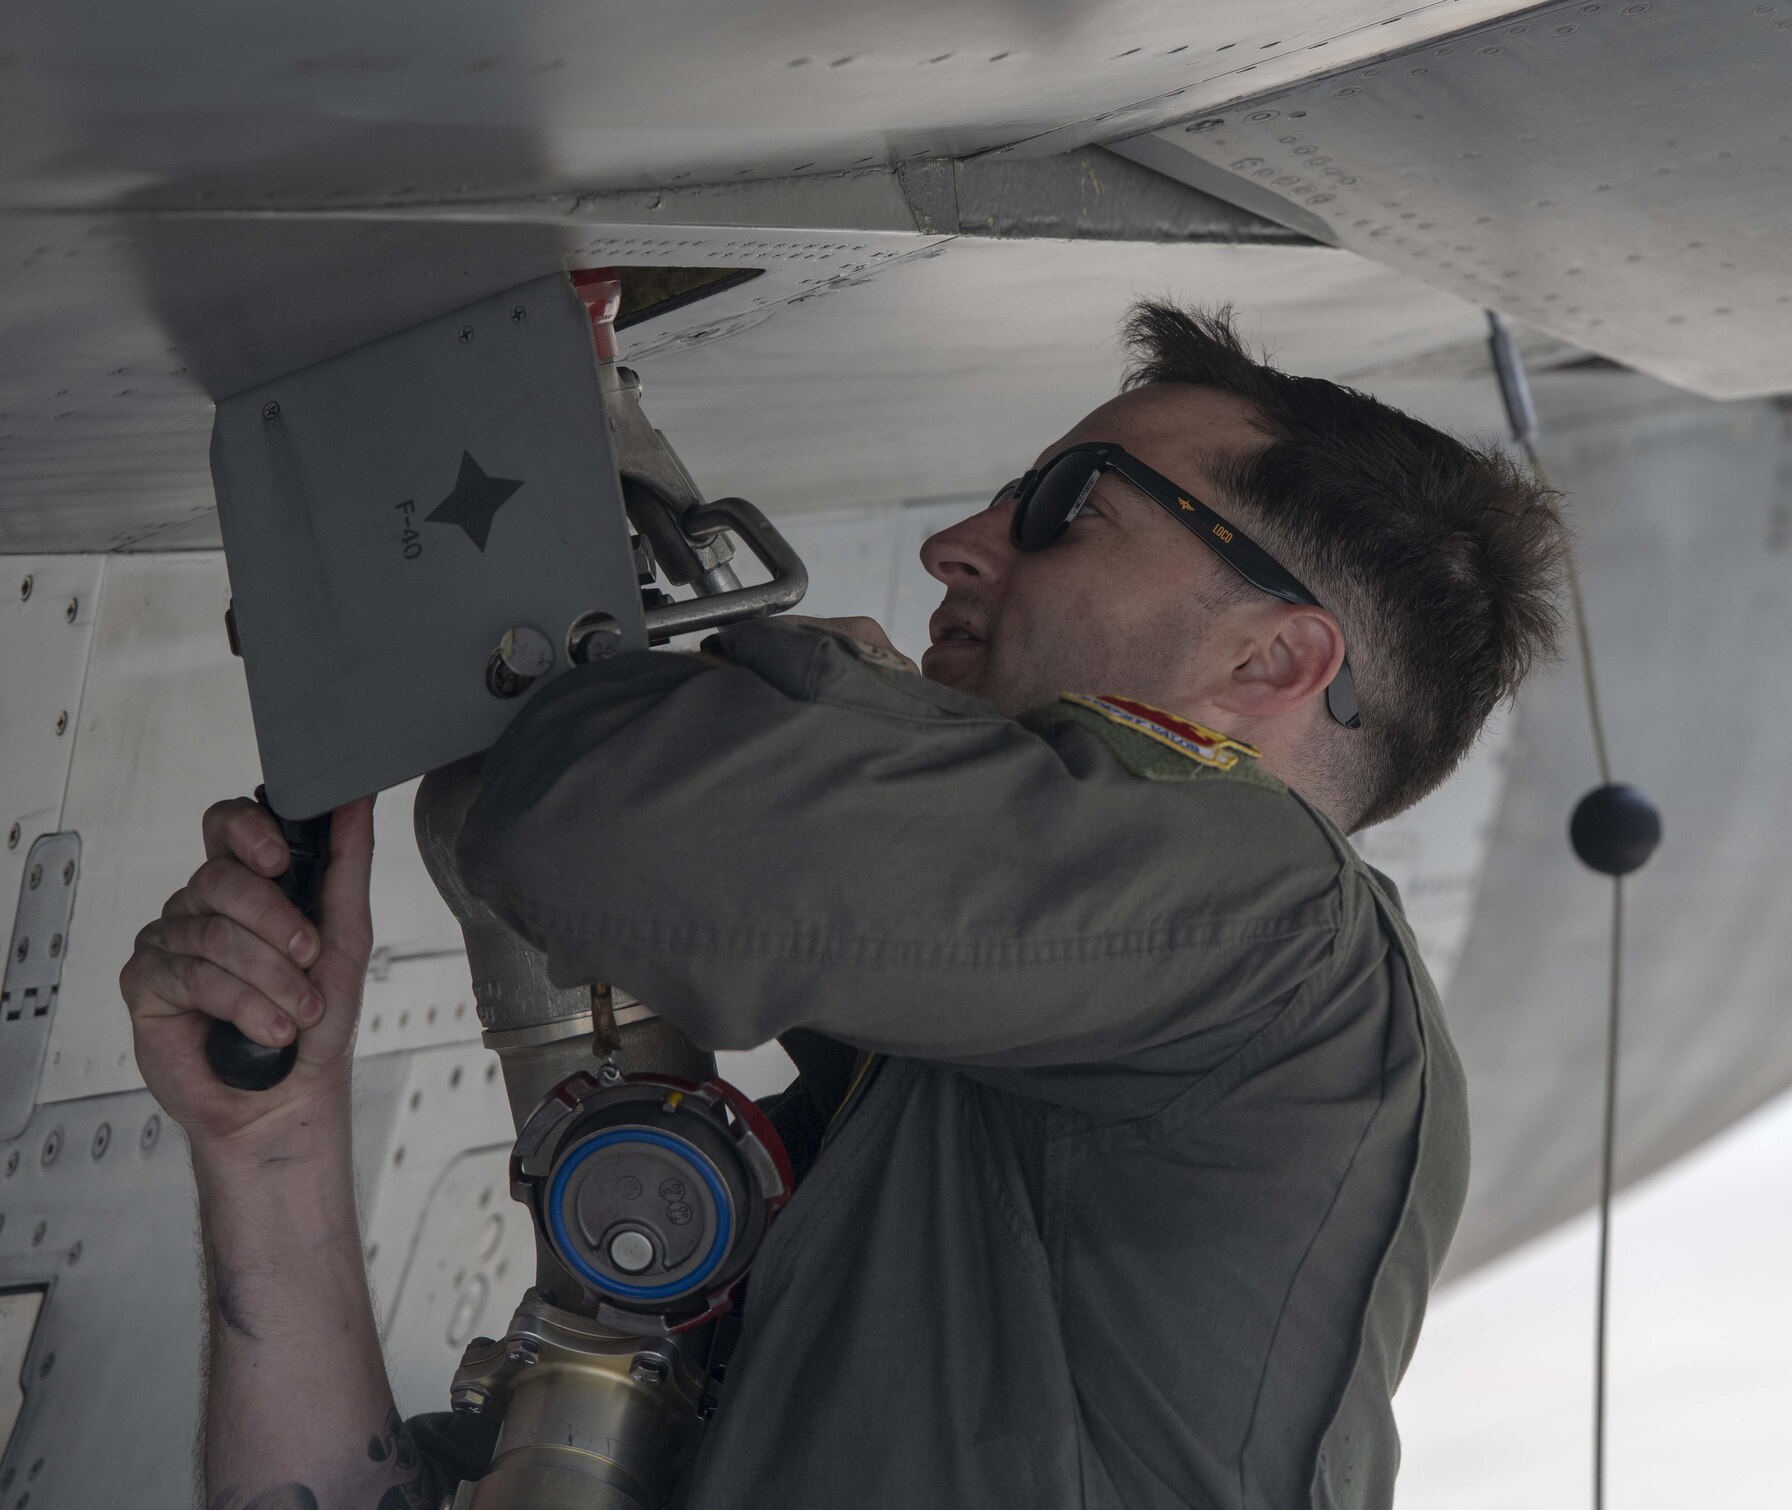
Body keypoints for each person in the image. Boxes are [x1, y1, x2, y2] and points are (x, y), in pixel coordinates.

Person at [120, 301, 1567, 1510]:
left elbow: (610, 821)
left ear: (1272, 664)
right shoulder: (945, 1135)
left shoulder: (1283, 934)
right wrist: (271, 1143)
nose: (960, 542)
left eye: (1065, 510)